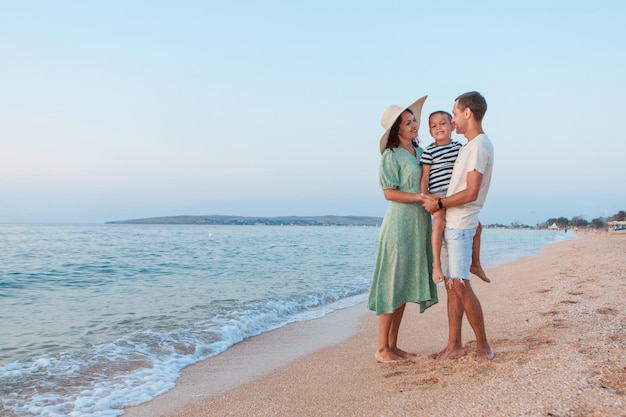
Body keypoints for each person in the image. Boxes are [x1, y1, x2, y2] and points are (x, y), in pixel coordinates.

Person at [422, 91, 495, 361]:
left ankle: (483, 346)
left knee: (461, 284)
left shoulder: (477, 146)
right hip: (454, 223)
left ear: (467, 113)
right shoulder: (470, 146)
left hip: (460, 224)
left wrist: (439, 204)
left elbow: (471, 192)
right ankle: (454, 345)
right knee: (453, 285)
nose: (452, 120)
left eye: (454, 113)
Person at [368, 95, 438, 363]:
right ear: (397, 129)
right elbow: (389, 193)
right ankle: (381, 348)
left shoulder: (421, 153)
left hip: (419, 225)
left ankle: (393, 345)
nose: (414, 125)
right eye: (408, 122)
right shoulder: (391, 155)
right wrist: (420, 198)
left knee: (404, 285)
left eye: (414, 121)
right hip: (399, 225)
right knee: (391, 284)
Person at [420, 111, 490, 284]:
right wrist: (425, 197)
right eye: (434, 126)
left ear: (452, 126)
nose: (438, 128)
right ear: (430, 132)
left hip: (453, 195)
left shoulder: (460, 148)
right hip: (437, 196)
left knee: (478, 226)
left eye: (443, 124)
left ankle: (476, 263)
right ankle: (436, 264)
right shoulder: (429, 151)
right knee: (439, 224)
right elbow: (425, 178)